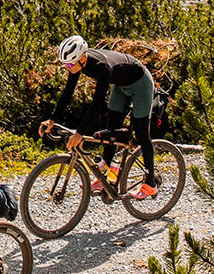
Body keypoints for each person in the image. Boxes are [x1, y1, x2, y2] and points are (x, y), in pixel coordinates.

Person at [43, 33, 159, 199]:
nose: (68, 67)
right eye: (64, 64)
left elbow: (96, 105)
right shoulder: (77, 64)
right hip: (121, 85)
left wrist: (79, 133)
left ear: (82, 58)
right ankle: (106, 177)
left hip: (140, 83)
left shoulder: (101, 67)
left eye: (69, 63)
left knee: (141, 133)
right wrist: (52, 118)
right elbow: (68, 92)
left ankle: (151, 183)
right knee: (110, 129)